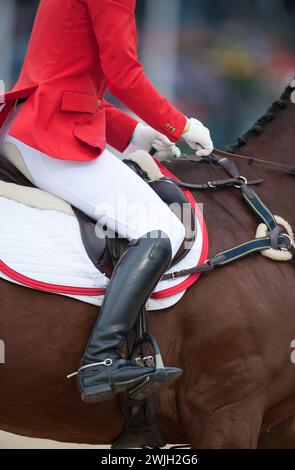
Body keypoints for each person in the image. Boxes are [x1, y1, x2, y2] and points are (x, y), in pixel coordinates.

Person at [0, 0, 213, 402]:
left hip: (39, 119)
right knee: (161, 228)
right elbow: (123, 73)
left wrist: (135, 133)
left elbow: (69, 75)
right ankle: (101, 361)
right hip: (51, 135)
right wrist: (178, 124)